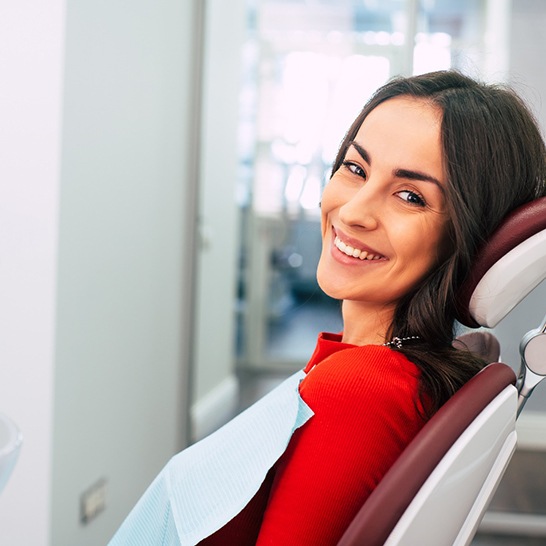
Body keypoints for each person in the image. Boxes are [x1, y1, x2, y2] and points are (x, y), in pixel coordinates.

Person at [109, 70, 546, 546]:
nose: (354, 210)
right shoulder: (384, 371)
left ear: (470, 236)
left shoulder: (360, 392)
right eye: (355, 168)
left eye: (410, 196)